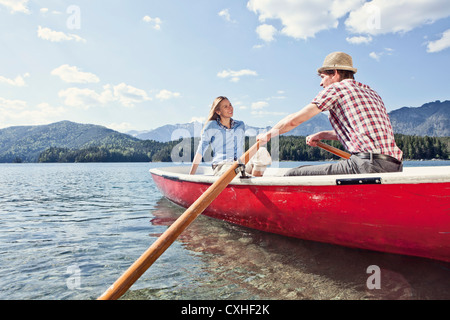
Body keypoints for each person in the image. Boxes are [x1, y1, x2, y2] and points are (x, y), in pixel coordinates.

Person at [257, 51, 403, 176]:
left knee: (292, 174)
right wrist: (321, 135)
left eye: (322, 77)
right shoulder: (371, 92)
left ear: (334, 73)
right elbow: (362, 133)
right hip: (395, 165)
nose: (321, 84)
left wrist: (268, 135)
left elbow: (293, 121)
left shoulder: (336, 89)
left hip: (368, 166)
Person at [189, 96, 272, 176]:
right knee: (237, 173)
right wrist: (190, 176)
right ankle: (245, 178)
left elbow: (240, 148)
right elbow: (200, 152)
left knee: (262, 152)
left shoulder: (240, 125)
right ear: (218, 111)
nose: (230, 108)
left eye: (230, 105)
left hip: (241, 163)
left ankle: (253, 183)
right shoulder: (211, 126)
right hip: (223, 166)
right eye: (225, 106)